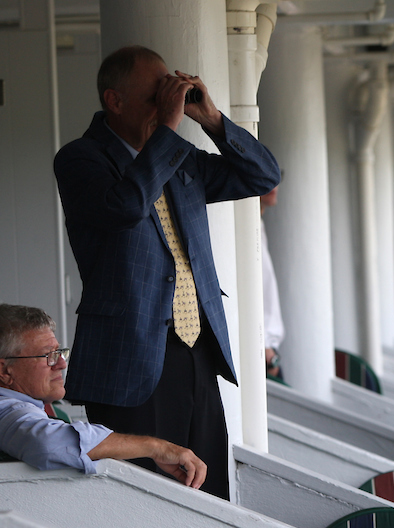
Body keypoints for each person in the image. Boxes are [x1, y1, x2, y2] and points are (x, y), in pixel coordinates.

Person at [53, 45, 280, 500]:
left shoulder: (181, 161)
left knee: (208, 488)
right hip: (128, 356)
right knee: (146, 500)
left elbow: (263, 177)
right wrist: (170, 129)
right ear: (114, 101)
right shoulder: (81, 159)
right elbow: (126, 206)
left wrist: (211, 118)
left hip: (196, 347)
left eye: (170, 98)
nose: (167, 109)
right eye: (156, 99)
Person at [0, 304, 206, 488]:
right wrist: (156, 448)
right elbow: (48, 443)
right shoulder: (7, 408)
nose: (62, 364)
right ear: (4, 371)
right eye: (48, 356)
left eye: (60, 352)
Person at [261, 184, 285, 379]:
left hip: (269, 351)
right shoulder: (243, 230)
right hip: (263, 353)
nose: (274, 183)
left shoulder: (258, 225)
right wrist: (266, 346)